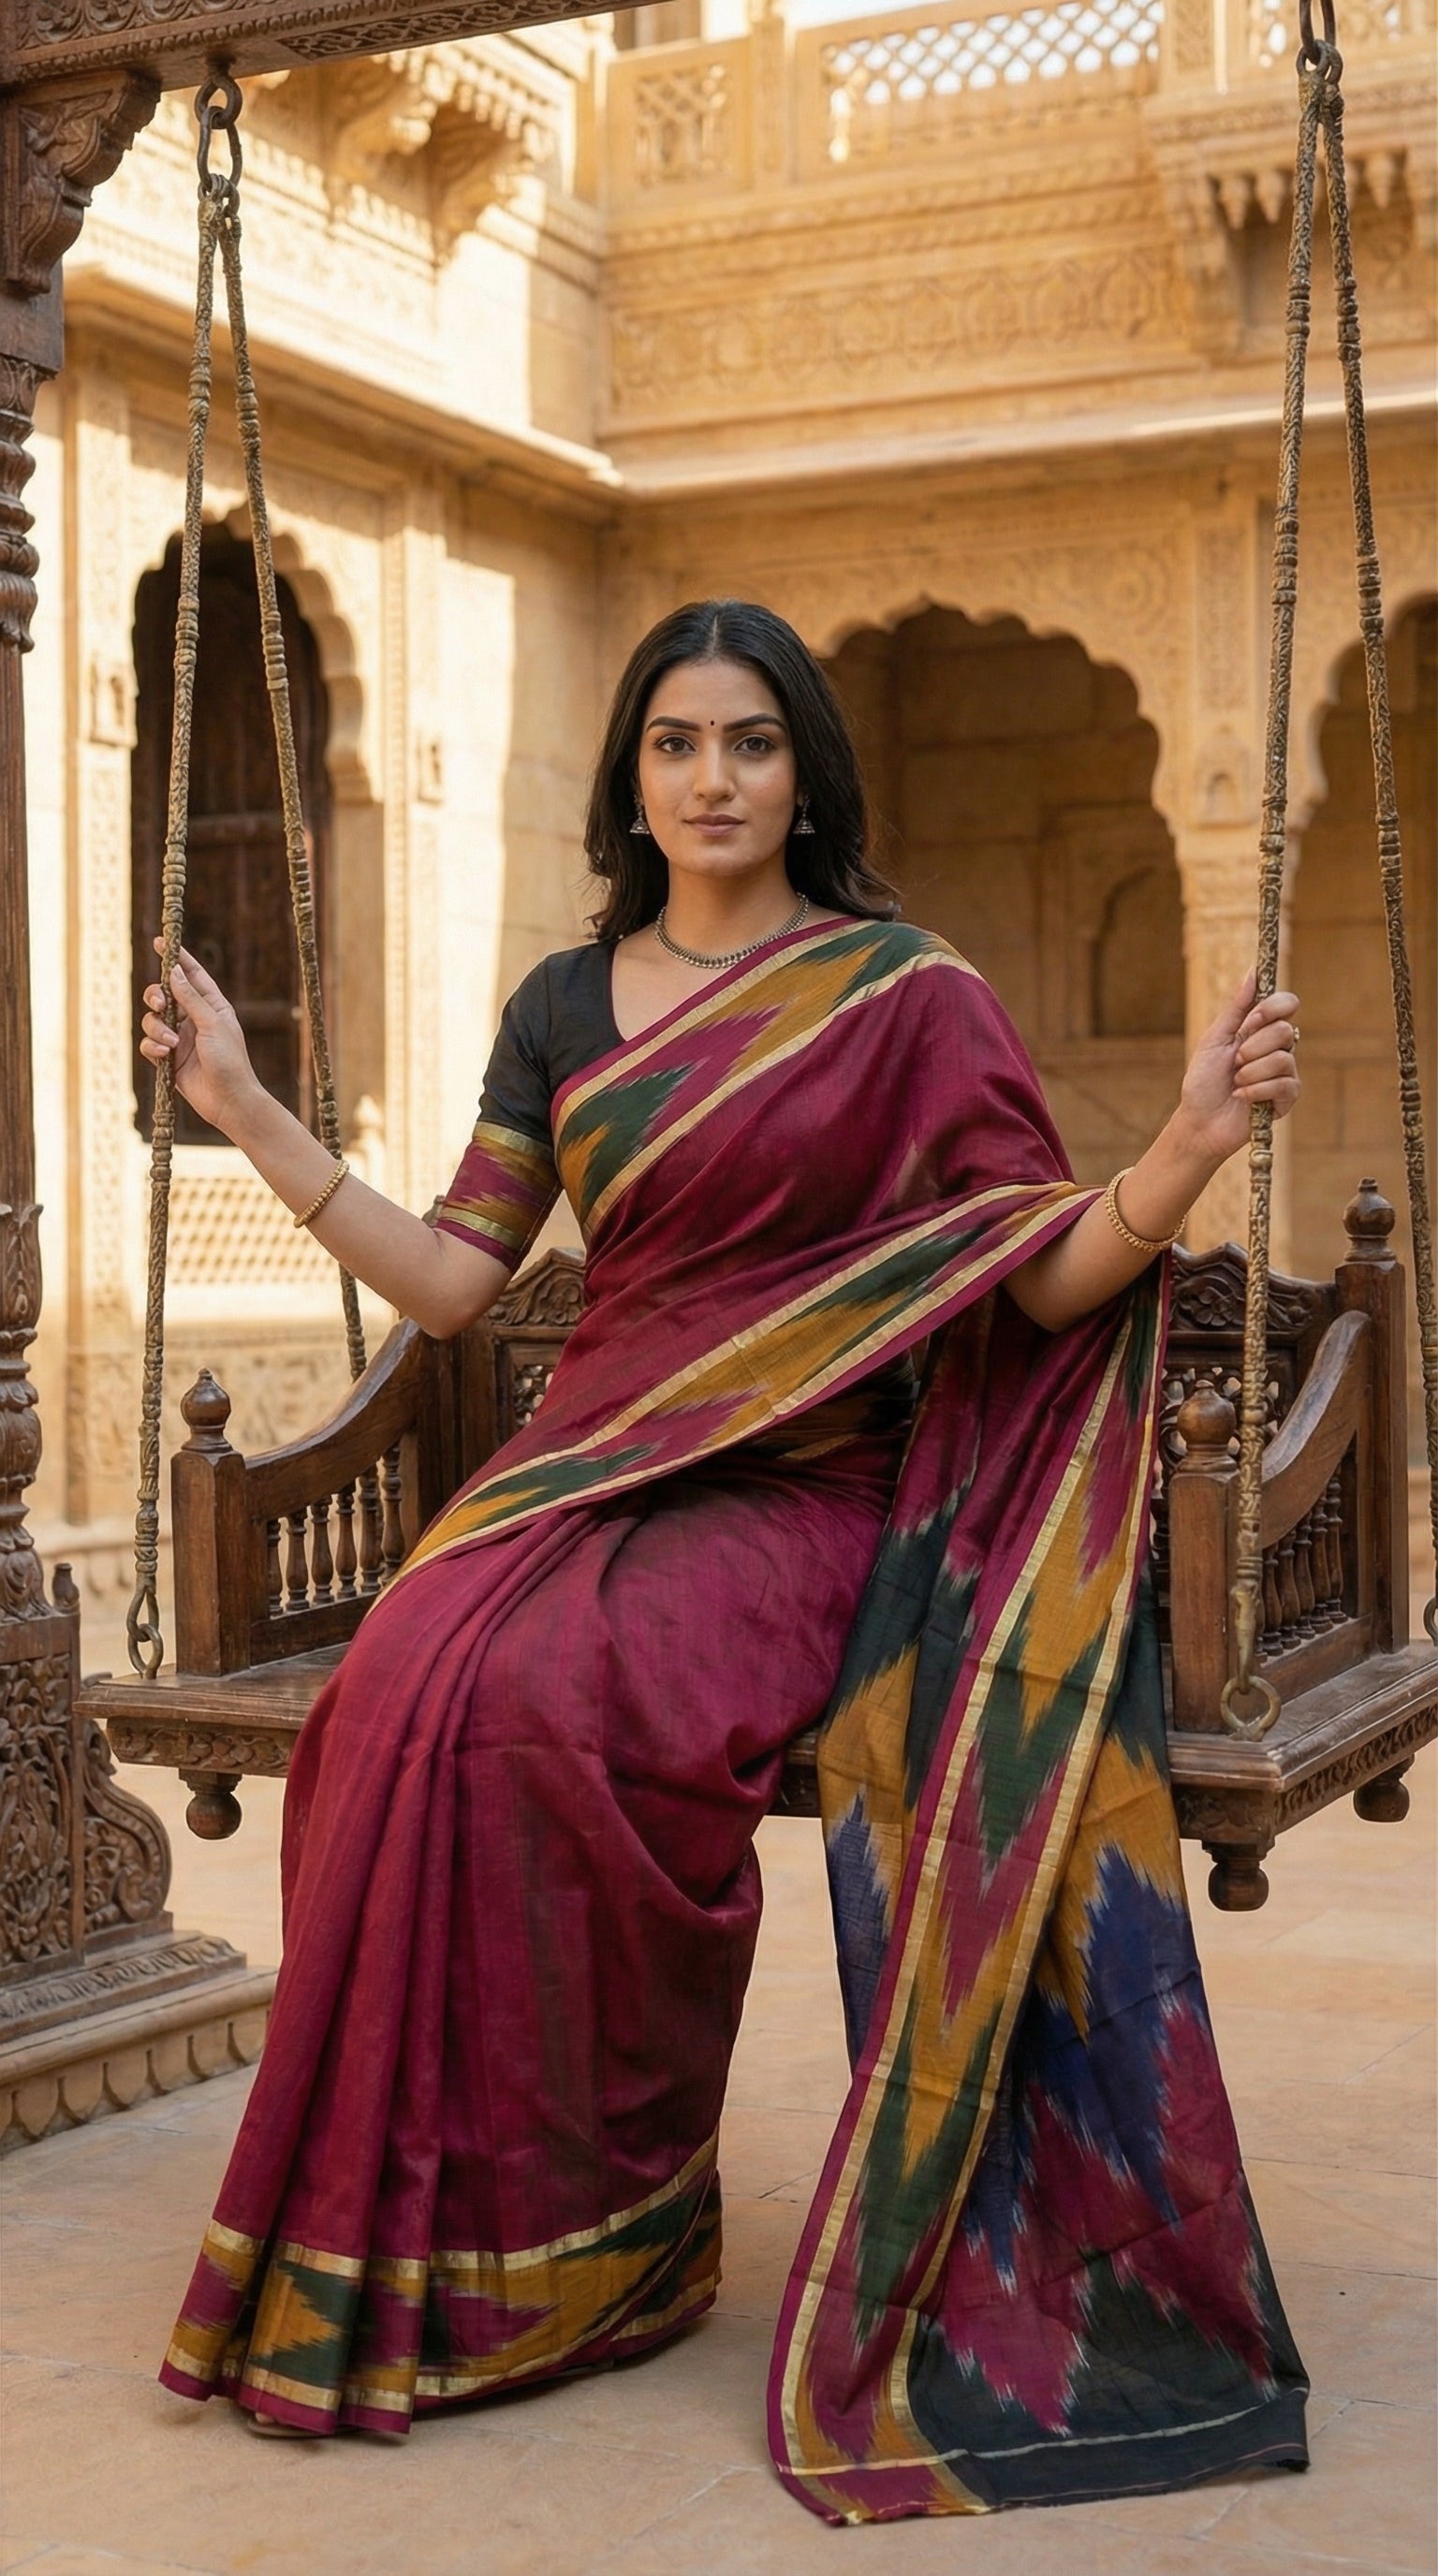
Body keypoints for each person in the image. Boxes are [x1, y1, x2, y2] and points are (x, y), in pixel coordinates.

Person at [145, 600, 1307, 2523]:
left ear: (800, 773)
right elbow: (457, 1280)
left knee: (557, 1697)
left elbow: (1037, 1270)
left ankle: (599, 2237)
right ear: (632, 778)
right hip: (588, 1463)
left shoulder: (900, 990)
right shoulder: (562, 1005)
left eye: (750, 741)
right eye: (676, 741)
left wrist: (1180, 1143)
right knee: (395, 1686)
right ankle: (434, 2233)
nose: (711, 777)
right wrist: (248, 1108)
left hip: (803, 1489)